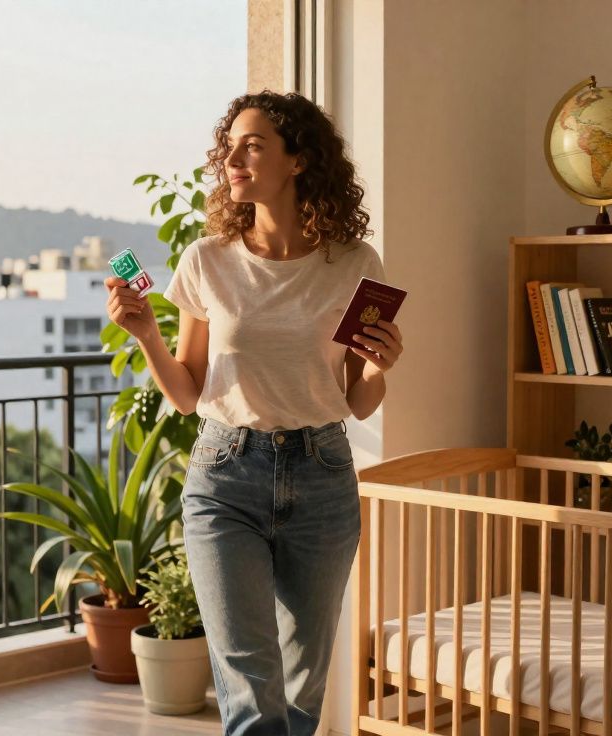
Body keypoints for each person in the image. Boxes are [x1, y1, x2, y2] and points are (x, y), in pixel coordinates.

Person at [105, 90, 403, 736]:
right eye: (229, 146)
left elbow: (356, 398)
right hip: (225, 478)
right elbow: (188, 393)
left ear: (298, 160)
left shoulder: (357, 265)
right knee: (249, 690)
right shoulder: (206, 261)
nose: (232, 159)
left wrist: (380, 365)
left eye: (253, 145)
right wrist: (145, 336)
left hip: (322, 476)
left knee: (302, 689)